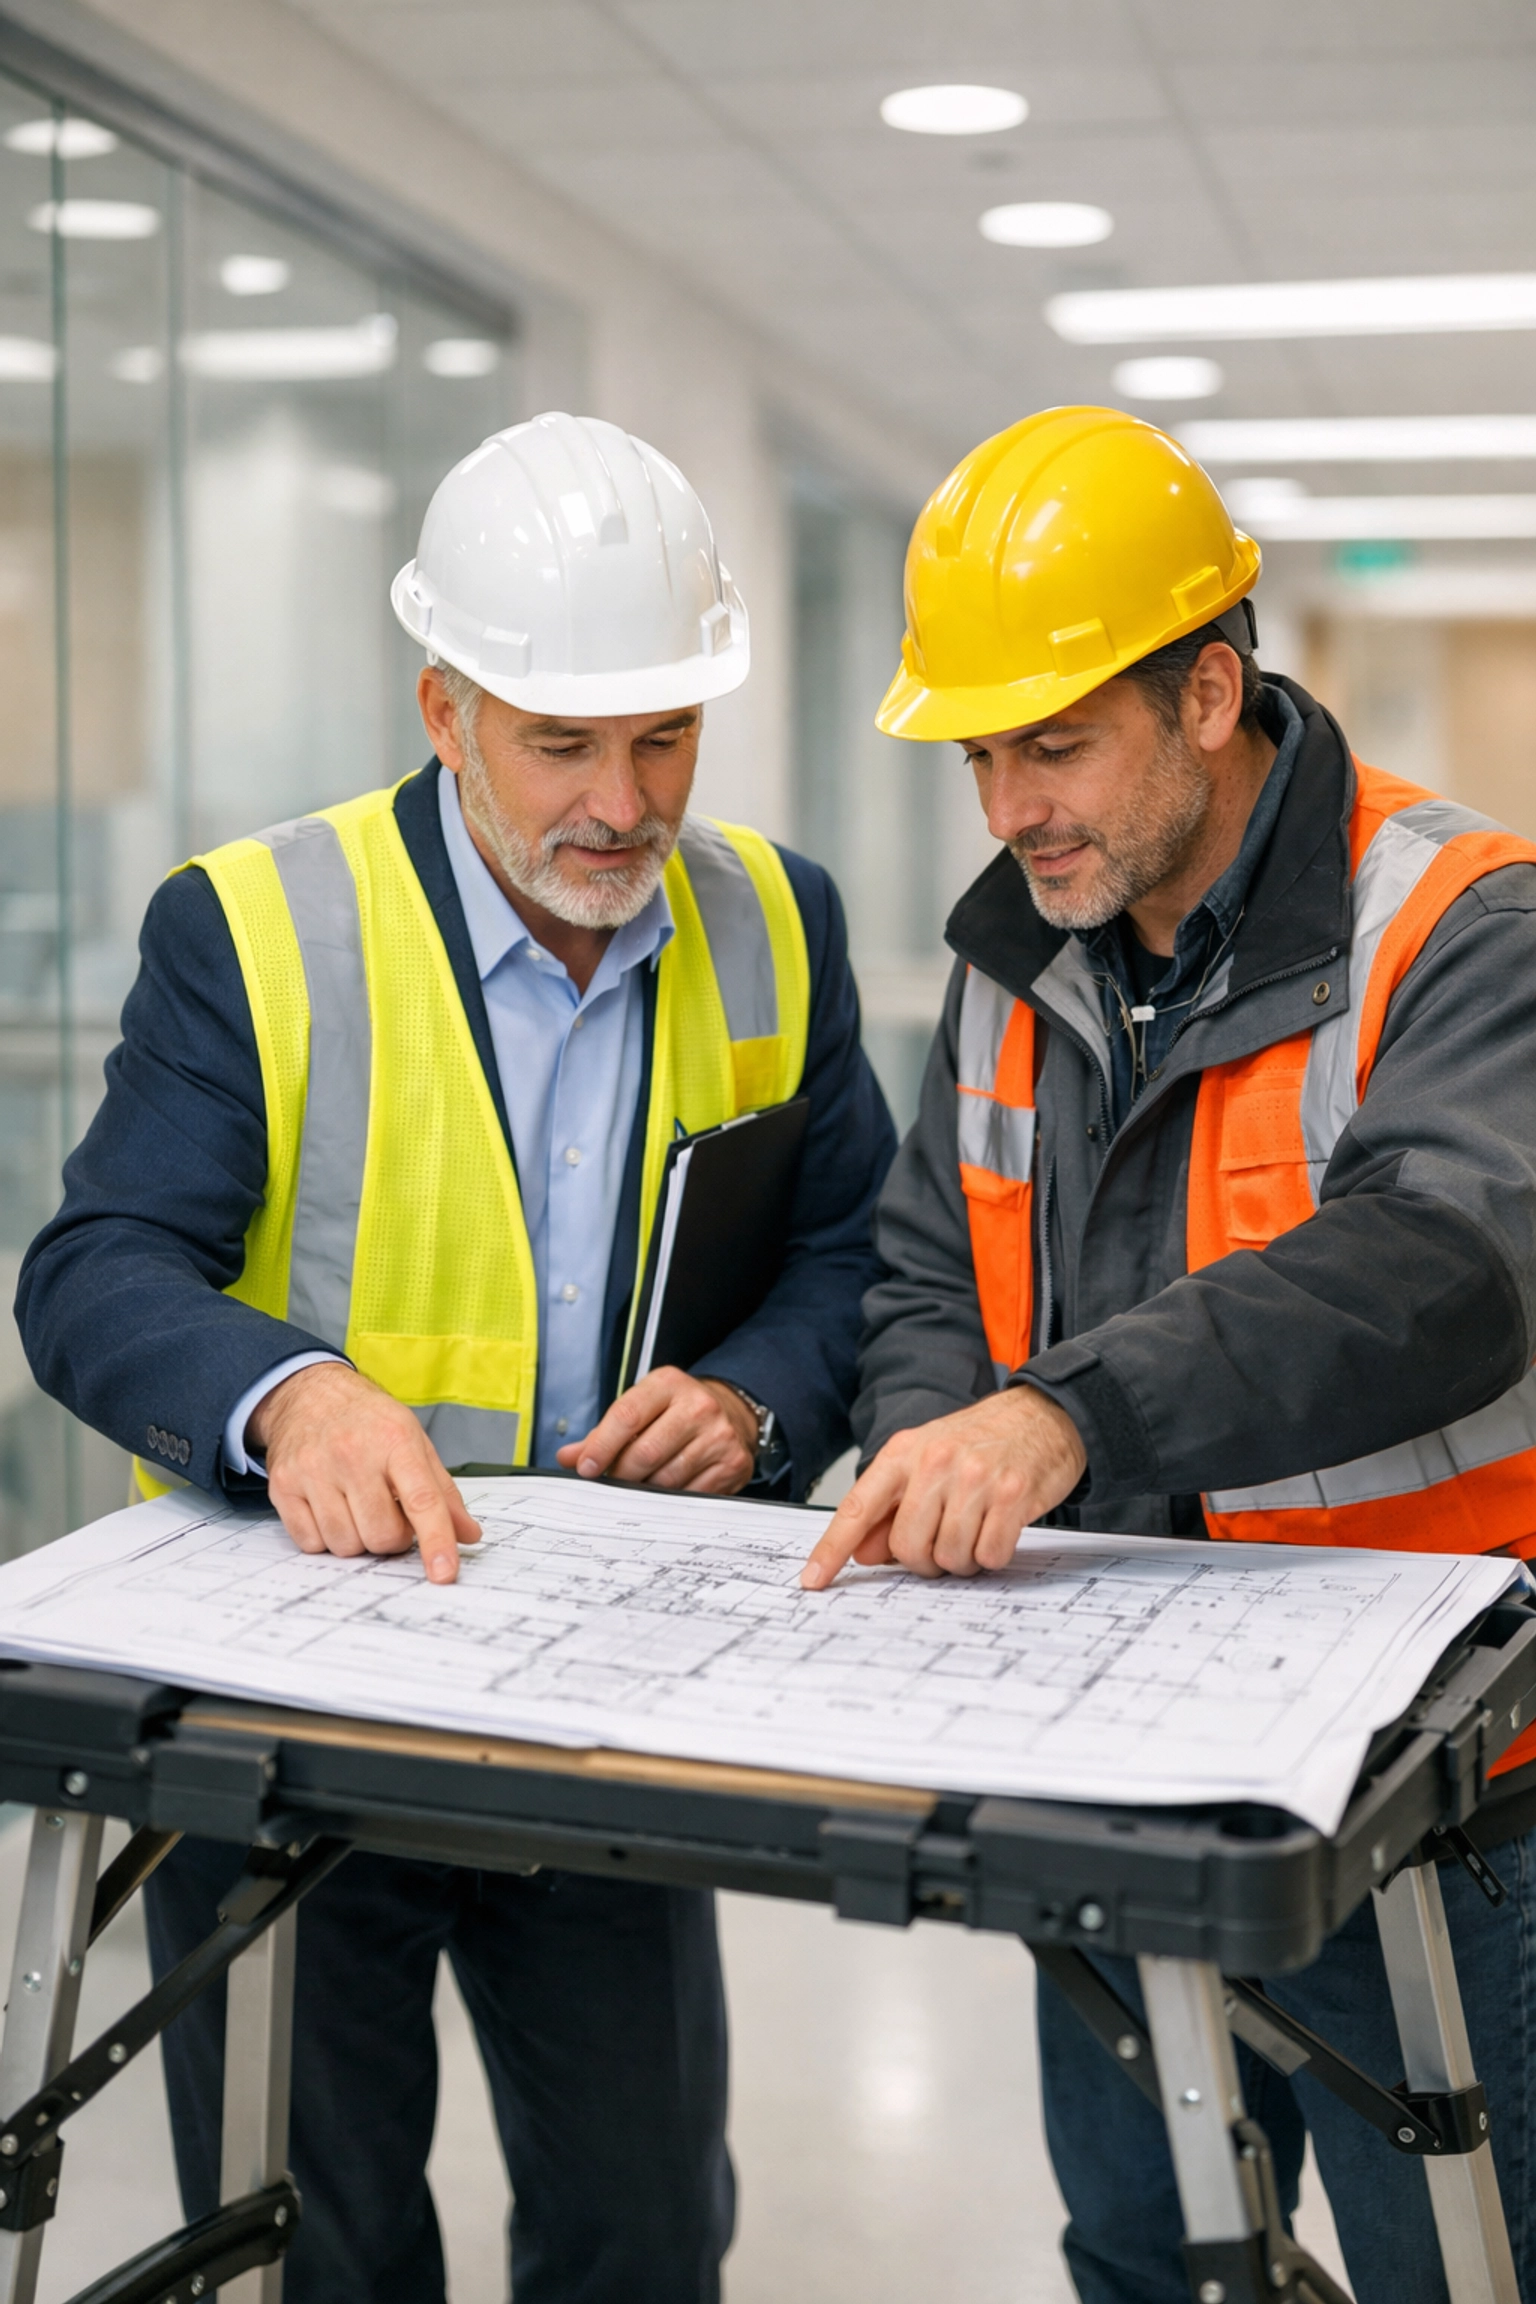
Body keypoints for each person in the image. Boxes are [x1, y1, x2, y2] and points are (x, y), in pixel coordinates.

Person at [17, 409, 895, 2304]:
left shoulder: (779, 924)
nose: (623, 799)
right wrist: (286, 1395)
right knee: (320, 2249)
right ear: (444, 707)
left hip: (608, 1703)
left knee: (643, 2228)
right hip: (287, 1712)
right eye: (560, 741)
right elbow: (94, 1269)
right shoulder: (252, 927)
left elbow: (859, 1259)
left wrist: (759, 1401)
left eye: (663, 736)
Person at [801, 404, 1536, 2304]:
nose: (1009, 806)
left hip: (1432, 1795)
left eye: (1057, 744)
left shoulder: (1462, 922)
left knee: (1454, 2266)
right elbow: (922, 1280)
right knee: (1149, 2258)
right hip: (1116, 1773)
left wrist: (1063, 1416)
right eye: (981, 755)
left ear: (1212, 694)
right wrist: (931, 1461)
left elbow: (1434, 1267)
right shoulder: (1014, 956)